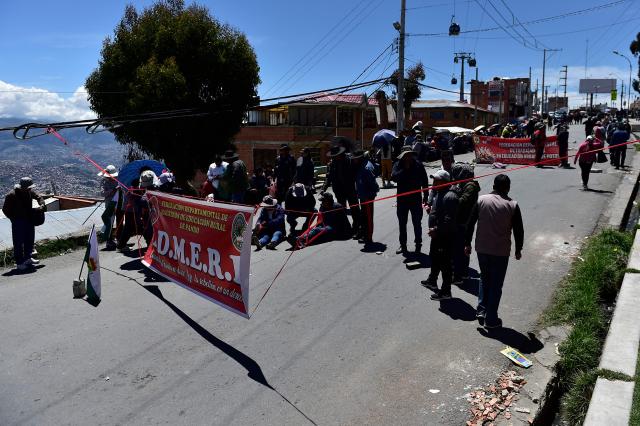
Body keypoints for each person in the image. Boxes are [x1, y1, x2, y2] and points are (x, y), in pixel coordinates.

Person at [465, 174, 524, 329]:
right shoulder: (512, 205)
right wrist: (518, 249)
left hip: (482, 249)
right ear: (508, 187)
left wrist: (467, 244)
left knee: (485, 279)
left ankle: (481, 310)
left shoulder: (481, 200)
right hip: (500, 251)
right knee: (496, 285)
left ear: (493, 186)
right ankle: (491, 320)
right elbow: (519, 230)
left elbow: (470, 223)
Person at [421, 170, 458, 300]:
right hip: (437, 235)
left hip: (444, 236)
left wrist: (436, 229)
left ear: (444, 182)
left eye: (436, 180)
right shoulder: (440, 192)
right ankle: (432, 280)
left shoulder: (450, 196)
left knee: (445, 264)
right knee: (435, 258)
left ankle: (446, 291)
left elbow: (449, 220)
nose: (434, 183)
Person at [2, 177, 45, 270]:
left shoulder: (29, 192)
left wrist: (41, 204)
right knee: (18, 242)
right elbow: (5, 209)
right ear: (23, 187)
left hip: (29, 219)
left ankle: (28, 258)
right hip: (18, 221)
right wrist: (13, 219)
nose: (30, 189)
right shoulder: (12, 195)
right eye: (29, 187)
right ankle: (19, 262)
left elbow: (38, 196)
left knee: (29, 239)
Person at [391, 146, 428, 254]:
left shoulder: (418, 165)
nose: (408, 157)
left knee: (417, 223)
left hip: (416, 199)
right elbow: (394, 177)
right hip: (402, 200)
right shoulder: (398, 165)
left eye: (409, 155)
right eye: (405, 155)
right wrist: (404, 170)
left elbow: (425, 181)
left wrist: (426, 196)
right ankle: (403, 245)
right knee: (402, 224)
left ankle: (418, 244)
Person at [322, 145, 361, 238]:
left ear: (340, 154)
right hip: (339, 191)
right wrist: (324, 188)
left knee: (355, 210)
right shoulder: (332, 163)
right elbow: (329, 177)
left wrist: (359, 187)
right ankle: (346, 228)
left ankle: (357, 228)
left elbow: (357, 174)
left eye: (335, 155)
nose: (333, 157)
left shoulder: (350, 160)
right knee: (341, 210)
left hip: (350, 189)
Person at [451, 163, 480, 284]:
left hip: (464, 221)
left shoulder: (470, 186)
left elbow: (463, 201)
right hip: (463, 220)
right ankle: (463, 273)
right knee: (461, 248)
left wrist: (453, 195)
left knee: (460, 249)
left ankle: (460, 275)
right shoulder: (465, 184)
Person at [352, 149, 379, 245]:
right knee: (364, 216)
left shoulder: (366, 168)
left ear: (359, 158)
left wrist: (369, 194)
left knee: (368, 217)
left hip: (367, 197)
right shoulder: (360, 166)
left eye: (355, 158)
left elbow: (374, 185)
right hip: (362, 196)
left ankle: (368, 237)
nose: (353, 160)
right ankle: (364, 233)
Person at [98, 165, 120, 250]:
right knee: (109, 221)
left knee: (116, 220)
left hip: (118, 203)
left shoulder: (118, 179)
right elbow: (102, 193)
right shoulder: (104, 181)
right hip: (110, 204)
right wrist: (113, 190)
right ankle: (108, 240)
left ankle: (115, 238)